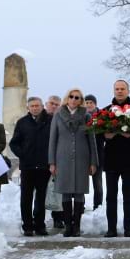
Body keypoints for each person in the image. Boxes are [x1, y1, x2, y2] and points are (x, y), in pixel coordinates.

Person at [48, 89, 98, 237]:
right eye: (72, 96)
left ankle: (76, 226)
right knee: (65, 193)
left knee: (79, 193)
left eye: (78, 97)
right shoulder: (57, 116)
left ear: (80, 100)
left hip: (82, 159)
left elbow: (92, 141)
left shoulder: (86, 115)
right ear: (67, 98)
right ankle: (67, 226)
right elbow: (52, 140)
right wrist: (52, 162)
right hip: (62, 159)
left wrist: (93, 162)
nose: (74, 99)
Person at [103, 79, 130, 237]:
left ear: (128, 91)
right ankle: (111, 228)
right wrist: (107, 135)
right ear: (113, 91)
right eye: (117, 89)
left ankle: (128, 228)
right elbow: (99, 134)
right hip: (111, 158)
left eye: (122, 89)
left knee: (128, 196)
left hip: (128, 158)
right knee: (111, 196)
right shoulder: (105, 111)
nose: (119, 91)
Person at [10, 97, 52, 236]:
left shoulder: (50, 121)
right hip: (27, 166)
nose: (35, 108)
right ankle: (27, 225)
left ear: (42, 106)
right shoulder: (22, 123)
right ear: (28, 108)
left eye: (37, 105)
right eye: (32, 106)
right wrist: (23, 154)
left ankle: (40, 225)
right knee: (26, 198)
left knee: (41, 198)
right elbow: (14, 143)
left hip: (43, 166)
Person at [44, 94, 65, 230]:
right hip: (41, 160)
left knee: (58, 191)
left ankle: (58, 218)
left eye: (57, 104)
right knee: (42, 191)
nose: (54, 106)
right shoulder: (41, 119)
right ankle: (39, 217)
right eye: (52, 103)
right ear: (46, 104)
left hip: (58, 159)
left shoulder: (61, 119)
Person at [85, 94, 104, 210]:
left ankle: (98, 206)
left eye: (91, 102)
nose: (88, 105)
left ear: (95, 104)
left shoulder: (102, 116)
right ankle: (80, 205)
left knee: (97, 183)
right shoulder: (80, 116)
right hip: (83, 155)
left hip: (98, 154)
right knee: (80, 183)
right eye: (86, 103)